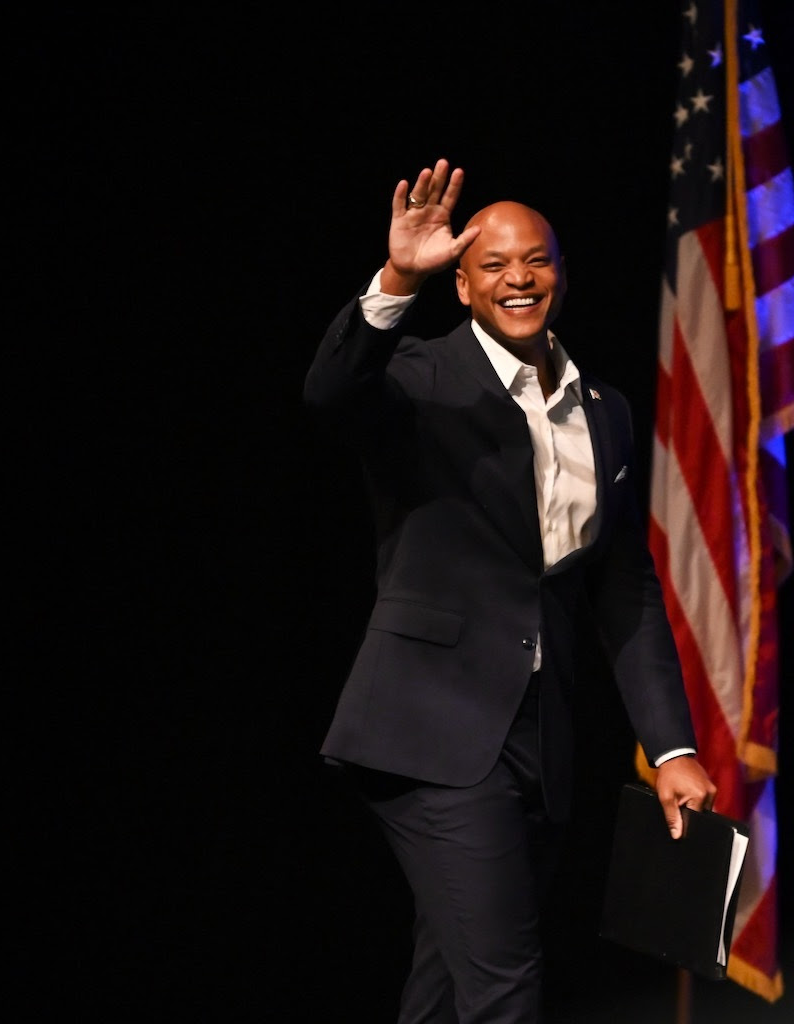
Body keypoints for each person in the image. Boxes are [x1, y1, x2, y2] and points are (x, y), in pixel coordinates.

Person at [304, 158, 716, 1024]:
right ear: (462, 282)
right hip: (431, 735)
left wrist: (671, 747)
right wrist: (393, 281)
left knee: (449, 987)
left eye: (536, 261)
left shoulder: (602, 408)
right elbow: (331, 392)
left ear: (559, 273)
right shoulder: (419, 380)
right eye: (493, 265)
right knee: (504, 987)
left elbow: (622, 588)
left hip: (543, 741)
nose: (518, 279)